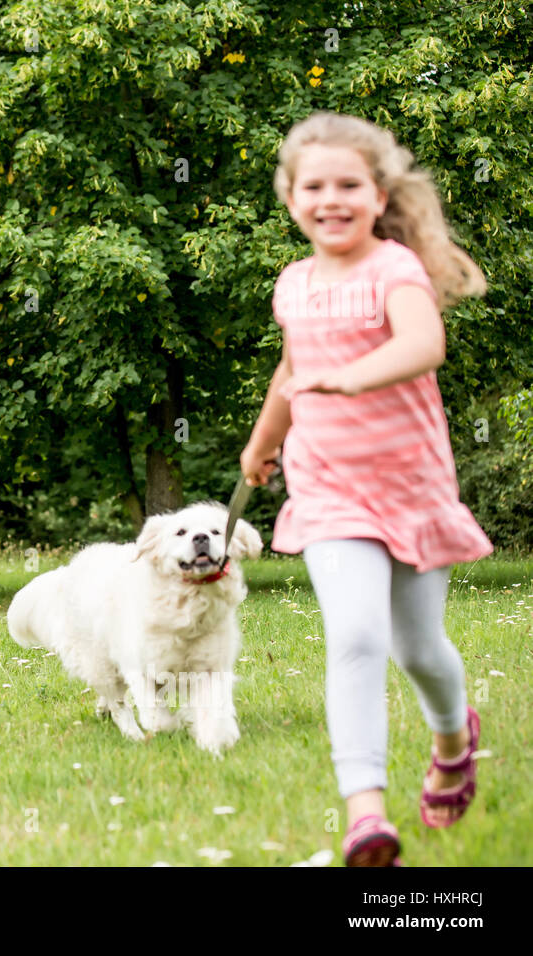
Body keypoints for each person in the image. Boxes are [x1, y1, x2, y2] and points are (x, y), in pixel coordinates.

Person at [240, 112, 491, 866]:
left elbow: (423, 344)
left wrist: (348, 378)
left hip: (410, 486)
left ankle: (453, 738)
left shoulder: (394, 271)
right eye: (313, 186)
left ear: (379, 196)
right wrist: (261, 446)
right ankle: (366, 813)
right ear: (290, 198)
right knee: (355, 634)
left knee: (419, 649)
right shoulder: (294, 283)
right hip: (328, 489)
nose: (331, 198)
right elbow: (292, 373)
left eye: (349, 184)